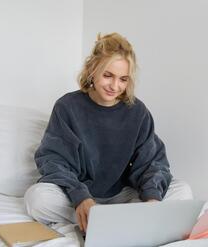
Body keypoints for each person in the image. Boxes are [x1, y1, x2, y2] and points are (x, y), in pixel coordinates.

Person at [24, 32, 193, 233]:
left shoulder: (138, 112)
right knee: (37, 199)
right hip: (78, 194)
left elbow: (152, 162)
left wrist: (152, 199)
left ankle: (103, 220)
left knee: (183, 191)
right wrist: (80, 197)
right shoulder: (67, 107)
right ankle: (107, 219)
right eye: (108, 75)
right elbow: (53, 160)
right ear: (92, 70)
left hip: (122, 194)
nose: (115, 86)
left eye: (123, 79)